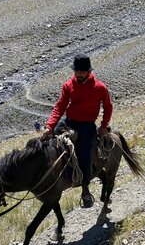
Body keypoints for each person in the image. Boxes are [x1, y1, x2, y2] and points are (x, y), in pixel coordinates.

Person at [43, 53, 113, 208]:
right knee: (47, 146)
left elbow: (108, 107)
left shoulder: (100, 88)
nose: (79, 75)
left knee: (84, 156)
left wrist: (103, 126)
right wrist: (50, 126)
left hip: (87, 126)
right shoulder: (68, 85)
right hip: (69, 122)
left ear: (88, 71)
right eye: (77, 71)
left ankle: (86, 190)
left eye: (82, 72)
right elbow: (60, 106)